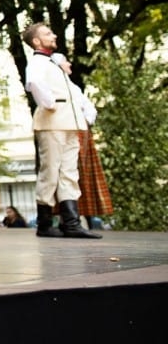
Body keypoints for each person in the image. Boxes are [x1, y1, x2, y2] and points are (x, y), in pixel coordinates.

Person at [22, 21, 101, 239]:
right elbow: (34, 83)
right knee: (50, 171)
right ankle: (45, 224)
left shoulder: (54, 64)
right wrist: (49, 103)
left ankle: (71, 223)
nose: (54, 35)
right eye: (48, 33)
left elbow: (73, 91)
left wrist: (86, 110)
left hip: (69, 123)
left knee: (69, 172)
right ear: (37, 41)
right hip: (52, 123)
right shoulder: (38, 62)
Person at [53, 53, 112, 227]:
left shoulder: (73, 87)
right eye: (65, 61)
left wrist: (84, 121)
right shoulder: (56, 87)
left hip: (81, 132)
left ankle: (80, 218)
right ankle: (69, 219)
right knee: (66, 174)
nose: (69, 64)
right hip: (66, 131)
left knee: (80, 176)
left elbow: (90, 109)